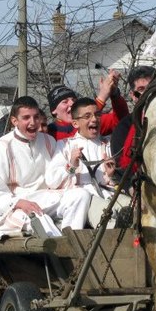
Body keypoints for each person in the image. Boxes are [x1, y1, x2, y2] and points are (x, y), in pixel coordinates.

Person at [0, 96, 91, 239]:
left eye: (36, 117)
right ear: (15, 121)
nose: (33, 123)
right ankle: (65, 253)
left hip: (46, 196)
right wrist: (19, 203)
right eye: (26, 118)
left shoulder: (49, 141)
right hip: (17, 203)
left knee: (81, 195)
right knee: (39, 218)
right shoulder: (2, 147)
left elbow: (57, 178)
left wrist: (72, 166)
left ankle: (71, 239)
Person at [47, 97, 131, 228]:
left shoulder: (108, 144)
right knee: (107, 217)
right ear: (75, 123)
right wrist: (72, 165)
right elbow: (52, 181)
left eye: (97, 114)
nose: (94, 119)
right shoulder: (65, 146)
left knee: (136, 208)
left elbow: (120, 178)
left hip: (110, 194)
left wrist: (112, 174)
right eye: (87, 116)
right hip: (87, 199)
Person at [47, 69, 129, 140]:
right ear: (54, 111)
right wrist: (101, 98)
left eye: (74, 100)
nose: (72, 103)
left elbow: (122, 120)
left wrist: (114, 94)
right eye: (65, 102)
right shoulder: (50, 132)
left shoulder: (94, 121)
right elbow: (76, 134)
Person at [110, 66, 156, 174]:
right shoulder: (124, 127)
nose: (147, 93)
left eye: (151, 87)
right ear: (133, 95)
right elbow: (120, 167)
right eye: (141, 89)